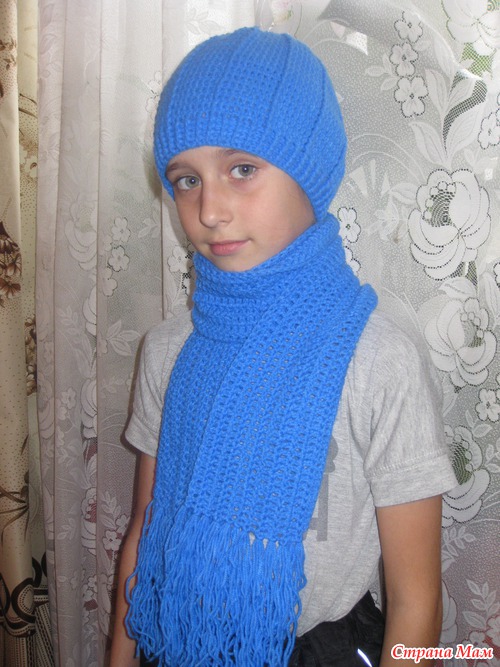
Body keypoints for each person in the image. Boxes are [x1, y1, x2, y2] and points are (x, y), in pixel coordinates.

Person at [110, 27, 457, 667]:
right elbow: (145, 531)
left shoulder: (377, 361)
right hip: (177, 643)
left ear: (309, 170)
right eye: (185, 179)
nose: (209, 209)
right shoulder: (166, 351)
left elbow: (416, 601)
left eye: (242, 169)